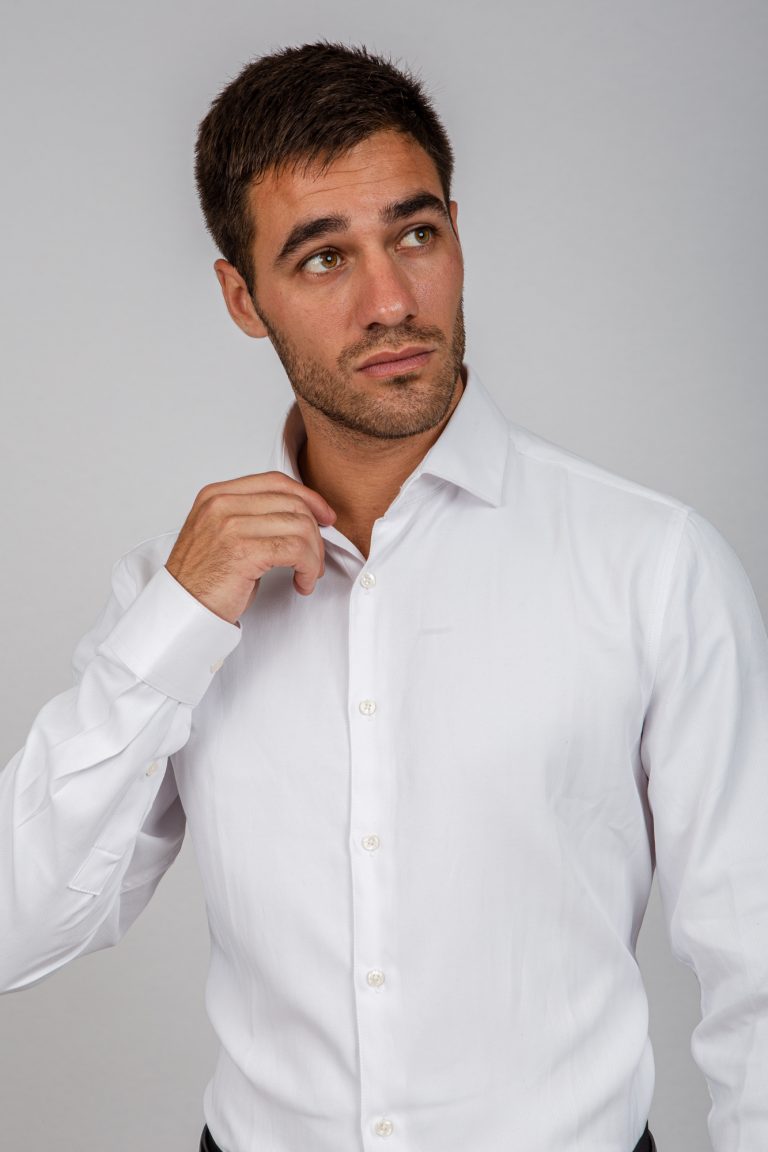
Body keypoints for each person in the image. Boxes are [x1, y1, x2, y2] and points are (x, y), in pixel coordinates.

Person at [1, 41, 766, 1152]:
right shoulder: (177, 603)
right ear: (242, 298)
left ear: (457, 232)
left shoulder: (656, 567)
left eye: (415, 235)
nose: (392, 301)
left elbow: (757, 968)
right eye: (322, 258)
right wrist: (176, 622)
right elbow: (17, 926)